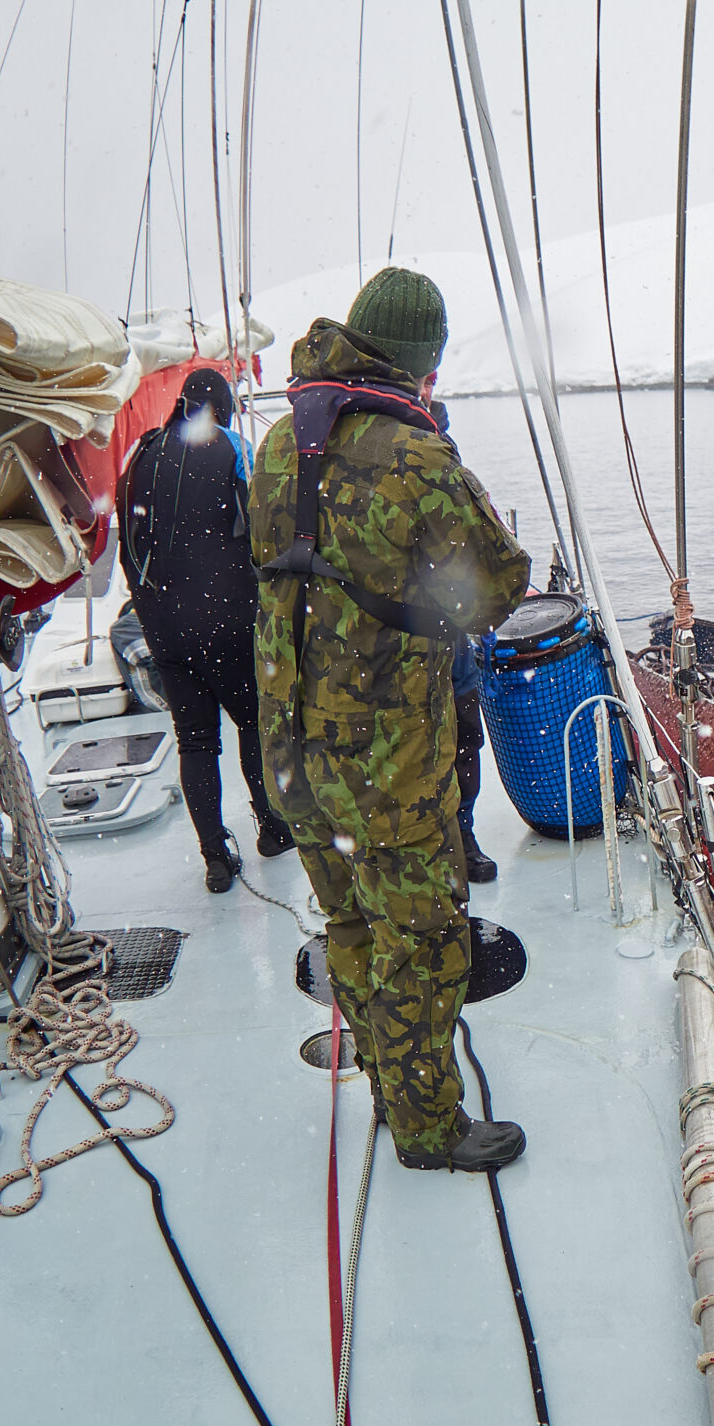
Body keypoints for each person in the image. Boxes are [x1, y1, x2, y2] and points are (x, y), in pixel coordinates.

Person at [253, 267, 532, 1172]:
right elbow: (495, 587)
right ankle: (424, 1127)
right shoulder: (416, 459)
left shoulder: (273, 448)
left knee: (352, 928)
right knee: (421, 942)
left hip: (290, 754)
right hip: (386, 764)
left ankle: (382, 1074)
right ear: (420, 366)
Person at [118, 366, 291, 893]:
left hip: (165, 627)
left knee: (194, 741)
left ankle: (215, 857)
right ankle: (271, 828)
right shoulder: (233, 447)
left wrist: (151, 611)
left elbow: (127, 539)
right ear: (223, 405)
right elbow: (264, 530)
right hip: (226, 620)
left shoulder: (140, 455)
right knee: (251, 724)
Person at [415, 373, 498, 885]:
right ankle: (437, 842)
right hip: (409, 639)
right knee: (428, 744)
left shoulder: (454, 476)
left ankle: (462, 835)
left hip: (451, 636)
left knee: (465, 739)